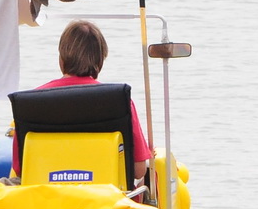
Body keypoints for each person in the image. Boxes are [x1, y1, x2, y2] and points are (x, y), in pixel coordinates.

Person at [13, 19, 153, 185]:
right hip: (106, 204)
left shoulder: (32, 102)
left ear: (61, 59)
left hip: (47, 203)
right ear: (100, 61)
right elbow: (138, 171)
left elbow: (20, 168)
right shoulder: (118, 101)